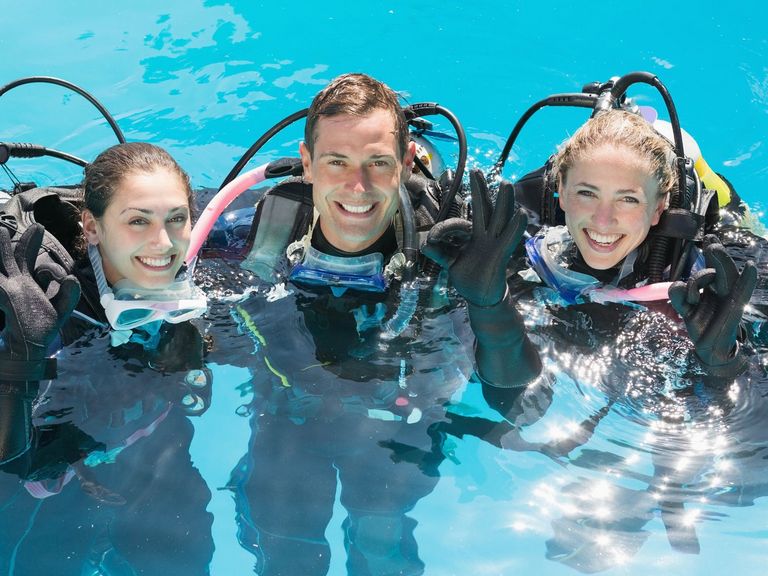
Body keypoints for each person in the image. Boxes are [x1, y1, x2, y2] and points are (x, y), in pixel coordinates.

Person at [200, 73, 476, 576]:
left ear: (406, 164)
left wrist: (491, 297)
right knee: (284, 545)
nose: (358, 186)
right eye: (336, 162)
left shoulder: (447, 245)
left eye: (378, 163)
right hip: (288, 413)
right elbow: (155, 222)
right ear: (306, 163)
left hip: (395, 421)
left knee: (382, 539)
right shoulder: (262, 229)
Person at [425, 108, 758, 391]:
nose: (603, 220)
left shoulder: (719, 261)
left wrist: (724, 362)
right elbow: (511, 395)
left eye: (628, 199)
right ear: (560, 190)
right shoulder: (518, 231)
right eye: (587, 193)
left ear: (658, 208)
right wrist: (488, 303)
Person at [0, 142, 214, 574]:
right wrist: (20, 360)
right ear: (92, 227)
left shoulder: (200, 280)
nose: (163, 243)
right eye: (138, 221)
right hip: (47, 483)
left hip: (152, 451)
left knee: (185, 560)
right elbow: (9, 464)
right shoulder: (38, 304)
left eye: (176, 219)